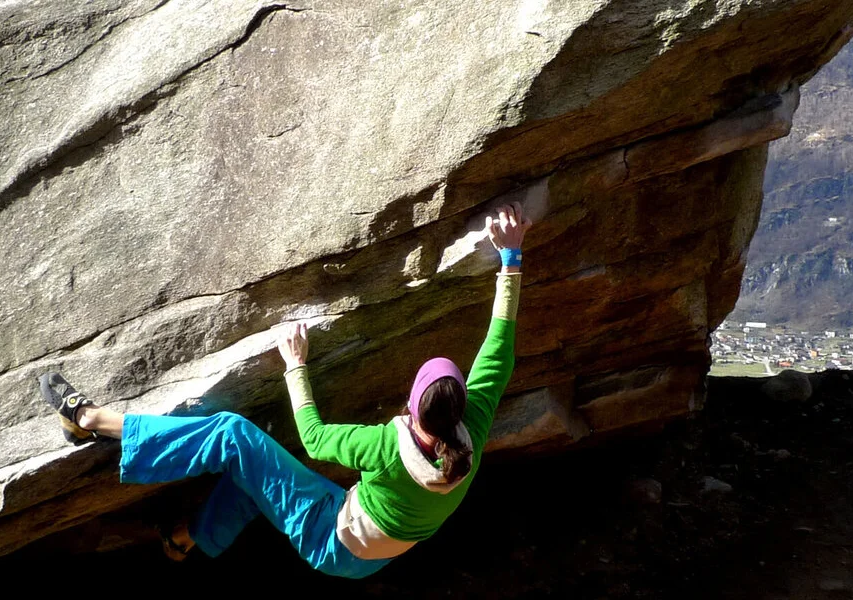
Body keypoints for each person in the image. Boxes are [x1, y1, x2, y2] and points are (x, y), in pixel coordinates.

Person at [40, 204, 531, 578]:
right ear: (463, 402)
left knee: (234, 436)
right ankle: (183, 538)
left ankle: (94, 425)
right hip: (374, 558)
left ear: (411, 405)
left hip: (330, 539)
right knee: (259, 472)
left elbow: (315, 438)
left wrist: (296, 366)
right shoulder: (475, 430)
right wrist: (510, 258)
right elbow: (500, 348)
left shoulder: (386, 447)